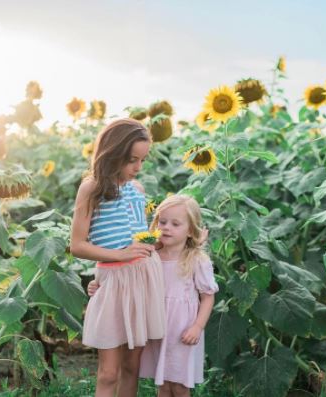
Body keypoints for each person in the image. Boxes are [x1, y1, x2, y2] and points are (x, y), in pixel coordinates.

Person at [70, 118, 165, 397]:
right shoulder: (92, 189)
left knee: (131, 366)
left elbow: (141, 239)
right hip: (112, 280)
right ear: (112, 154)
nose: (138, 167)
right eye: (132, 160)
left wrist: (159, 239)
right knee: (108, 373)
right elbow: (77, 245)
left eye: (142, 160)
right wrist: (119, 255)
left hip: (142, 278)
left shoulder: (137, 190)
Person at [88, 194, 219, 397]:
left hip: (182, 329)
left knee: (179, 385)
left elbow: (208, 296)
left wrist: (197, 327)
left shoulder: (196, 260)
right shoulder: (150, 255)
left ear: (190, 230)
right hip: (156, 326)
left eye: (175, 224)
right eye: (162, 221)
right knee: (163, 385)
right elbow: (124, 278)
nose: (166, 227)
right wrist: (98, 286)